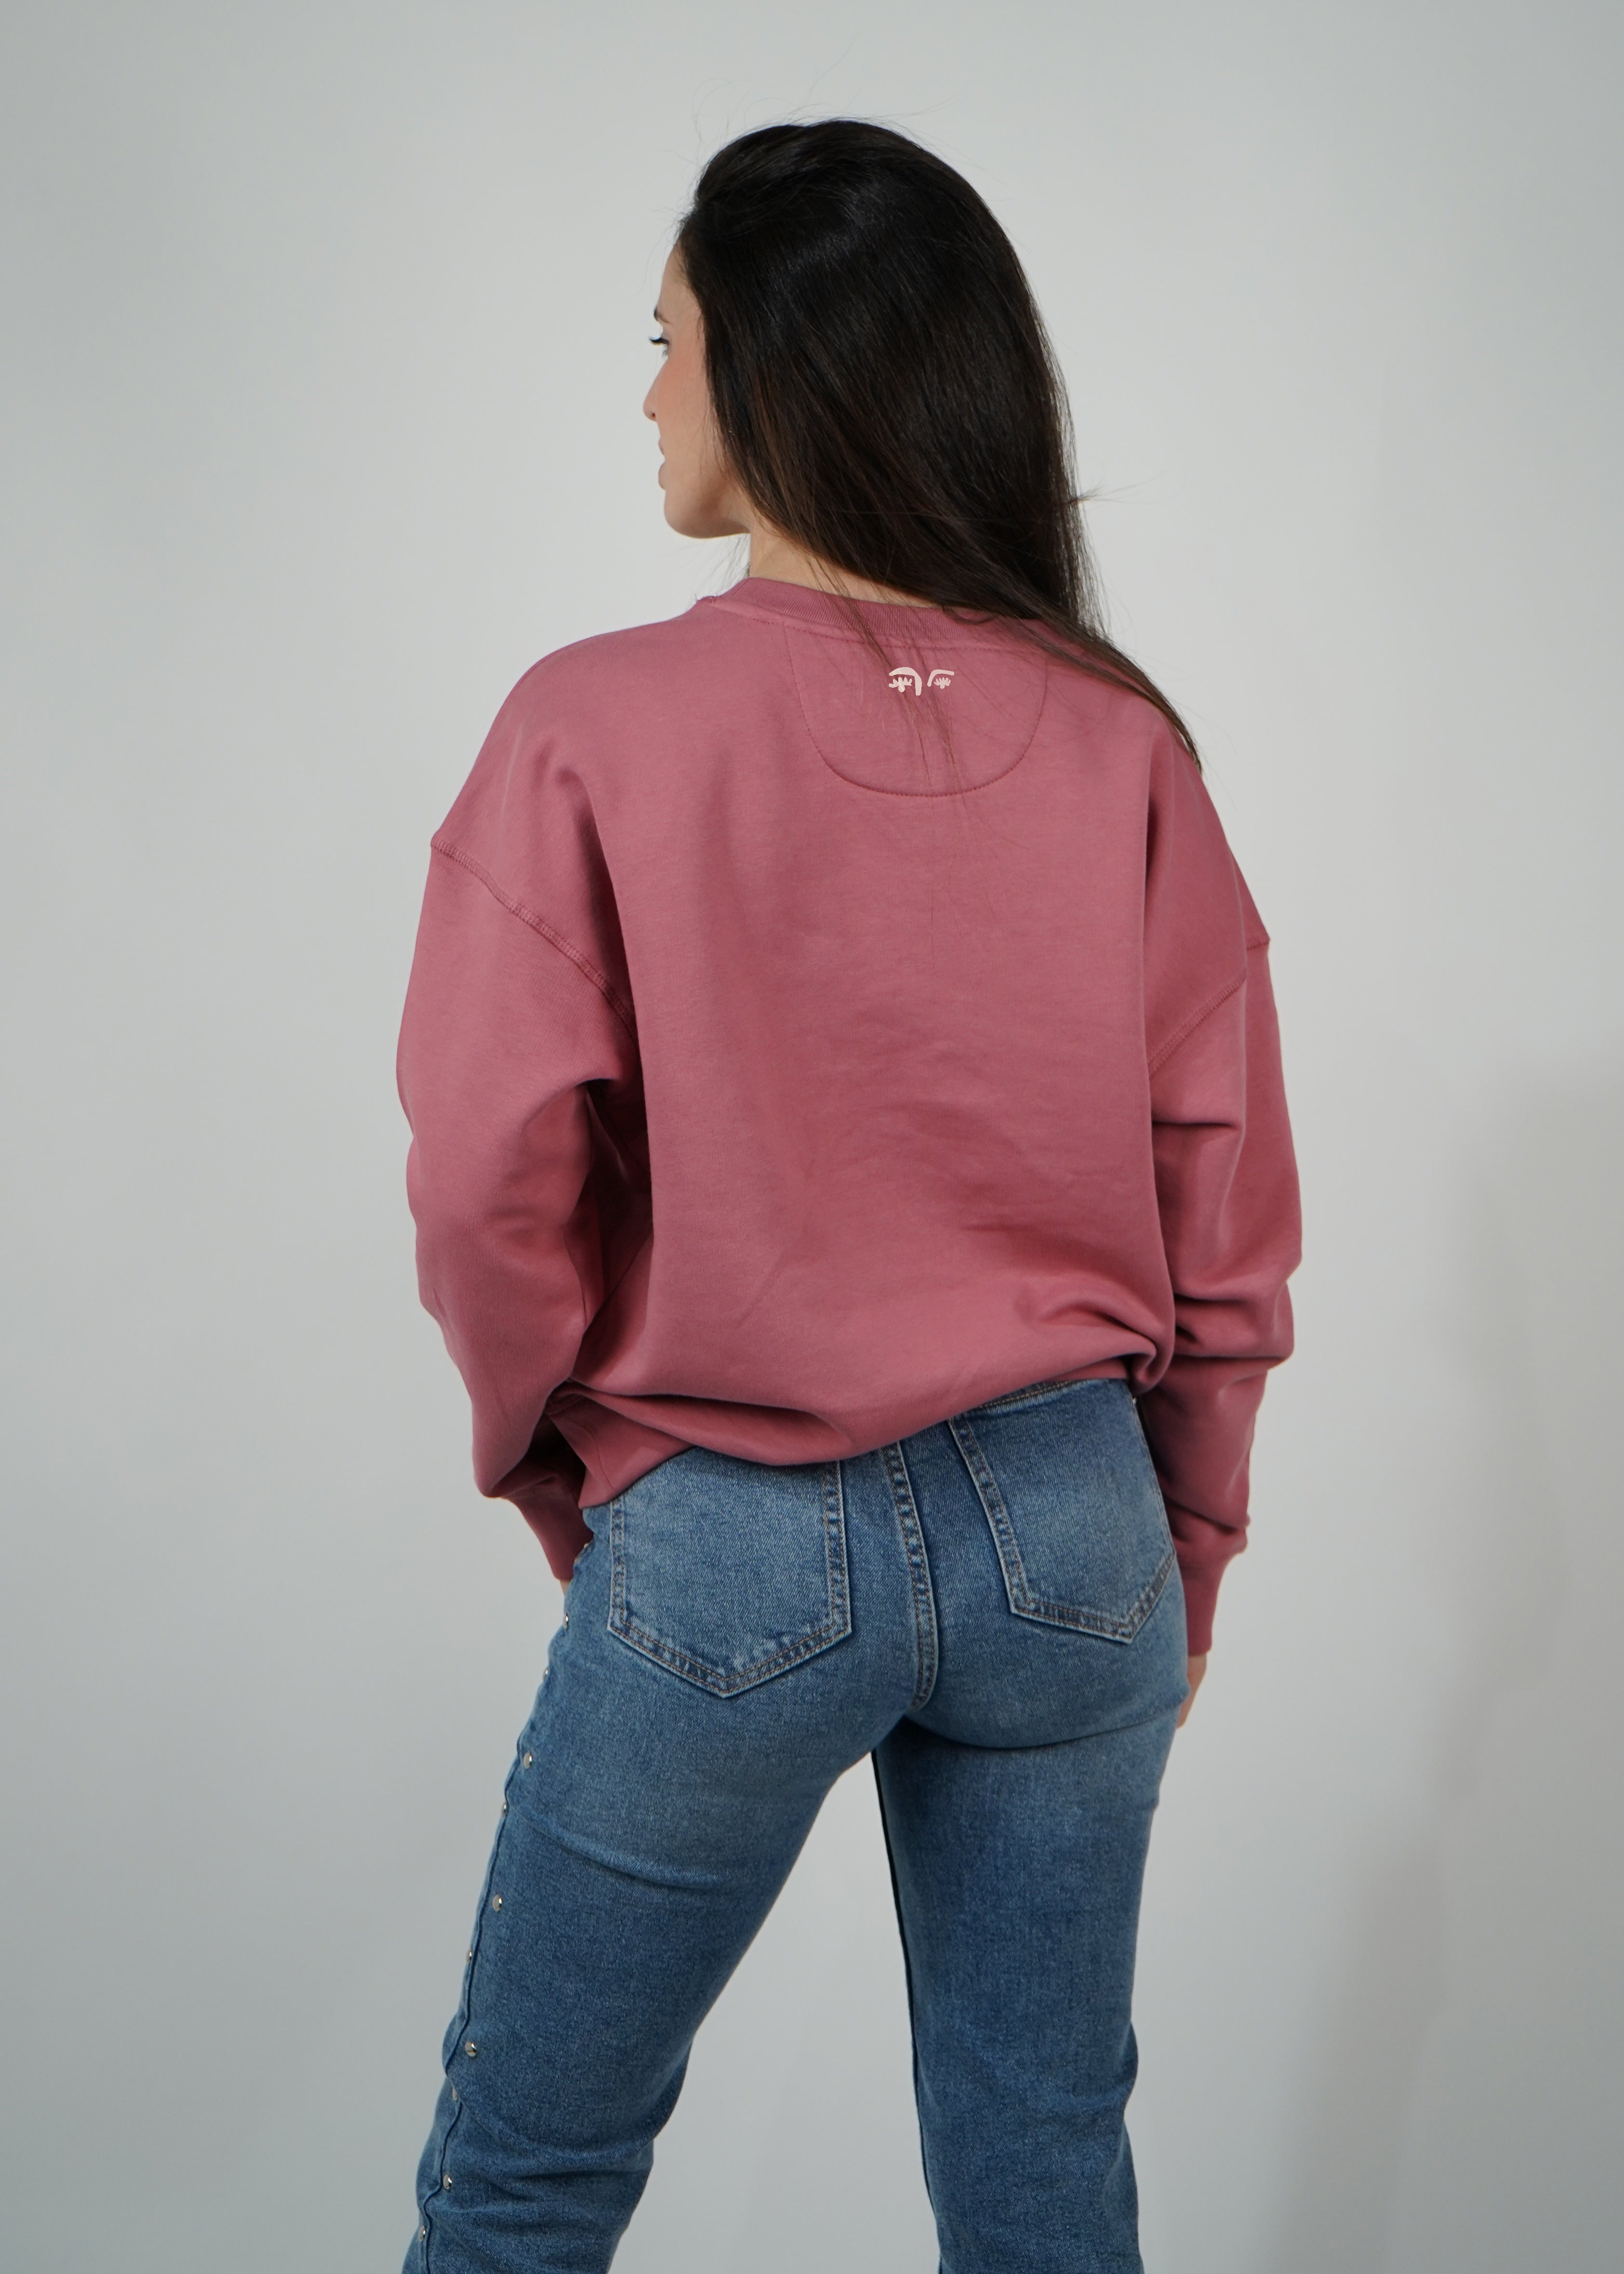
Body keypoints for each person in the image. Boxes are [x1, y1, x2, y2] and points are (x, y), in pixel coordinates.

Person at [395, 118, 1301, 2273]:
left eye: (667, 341)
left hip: (730, 1528)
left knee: (526, 2183)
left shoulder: (591, 723)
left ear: (775, 364)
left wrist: (570, 1468)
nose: (647, 397)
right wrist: (1184, 1544)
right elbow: (1226, 1191)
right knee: (1045, 2176)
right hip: (1074, 1528)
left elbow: (489, 1176)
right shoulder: (1121, 741)